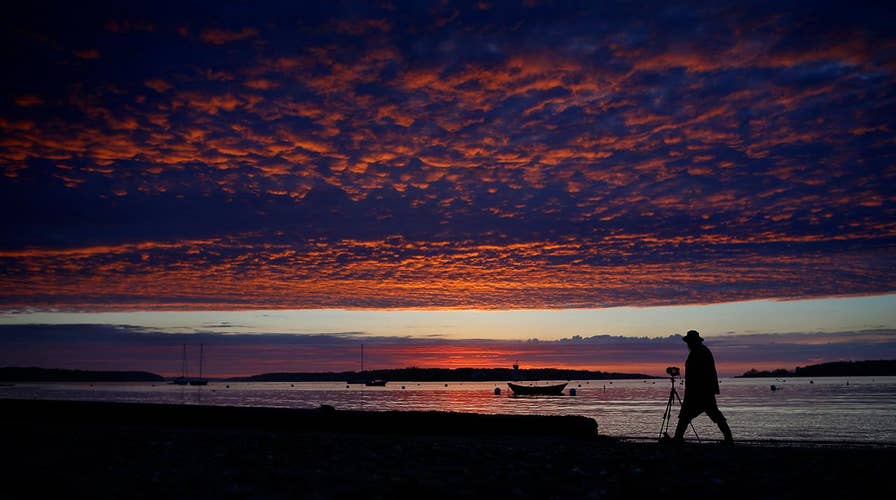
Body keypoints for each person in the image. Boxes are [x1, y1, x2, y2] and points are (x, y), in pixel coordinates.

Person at [671, 330, 734, 444]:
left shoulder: (699, 352)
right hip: (701, 390)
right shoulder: (700, 351)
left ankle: (678, 438)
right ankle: (728, 438)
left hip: (700, 391)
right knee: (709, 414)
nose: (688, 345)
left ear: (692, 342)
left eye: (689, 342)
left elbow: (701, 373)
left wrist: (695, 389)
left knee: (687, 415)